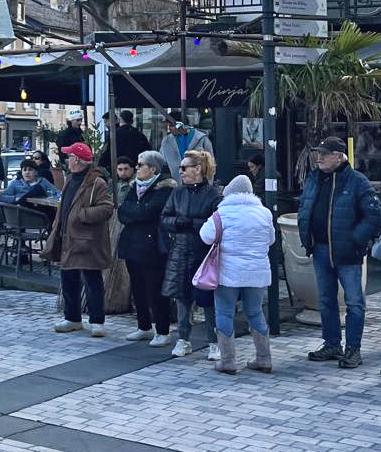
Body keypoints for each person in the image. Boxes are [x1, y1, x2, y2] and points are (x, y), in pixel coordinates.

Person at [297, 137, 381, 369]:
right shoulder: (315, 178)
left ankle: (353, 350)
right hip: (321, 250)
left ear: (339, 156)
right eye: (318, 153)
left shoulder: (357, 181)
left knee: (354, 303)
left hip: (348, 254)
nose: (319, 157)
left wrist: (355, 240)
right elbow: (305, 206)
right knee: (326, 301)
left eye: (325, 154)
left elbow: (374, 215)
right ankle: (332, 344)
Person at [198, 174, 275, 375]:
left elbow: (205, 236)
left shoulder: (221, 213)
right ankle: (264, 359)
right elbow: (271, 239)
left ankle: (228, 361)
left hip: (227, 272)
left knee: (224, 313)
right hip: (257, 272)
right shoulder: (264, 213)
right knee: (255, 312)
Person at [160, 149, 221, 360]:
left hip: (204, 253)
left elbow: (216, 223)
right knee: (182, 298)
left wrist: (191, 224)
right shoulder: (177, 193)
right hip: (180, 251)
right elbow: (164, 218)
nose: (181, 171)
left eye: (184, 167)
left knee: (209, 300)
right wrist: (179, 223)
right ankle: (183, 339)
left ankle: (214, 343)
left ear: (198, 169)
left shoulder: (214, 194)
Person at [48, 142, 113, 337]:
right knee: (68, 278)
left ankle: (97, 321)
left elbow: (107, 208)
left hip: (87, 240)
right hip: (69, 237)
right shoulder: (70, 179)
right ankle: (73, 318)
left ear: (76, 160)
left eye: (69, 156)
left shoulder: (96, 183)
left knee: (92, 281)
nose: (67, 159)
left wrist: (82, 215)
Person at [117, 151, 175, 347]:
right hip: (131, 244)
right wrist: (137, 213)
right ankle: (144, 326)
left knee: (155, 289)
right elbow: (123, 212)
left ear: (153, 169)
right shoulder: (135, 187)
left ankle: (163, 330)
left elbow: (150, 211)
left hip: (152, 247)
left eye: (141, 165)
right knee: (137, 287)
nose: (137, 168)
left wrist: (137, 213)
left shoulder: (164, 188)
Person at [159, 111, 215, 183]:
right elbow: (162, 164)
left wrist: (208, 184)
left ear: (181, 124)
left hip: (199, 185)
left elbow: (210, 164)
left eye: (171, 125)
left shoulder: (202, 139)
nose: (169, 128)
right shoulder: (166, 142)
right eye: (168, 126)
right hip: (176, 185)